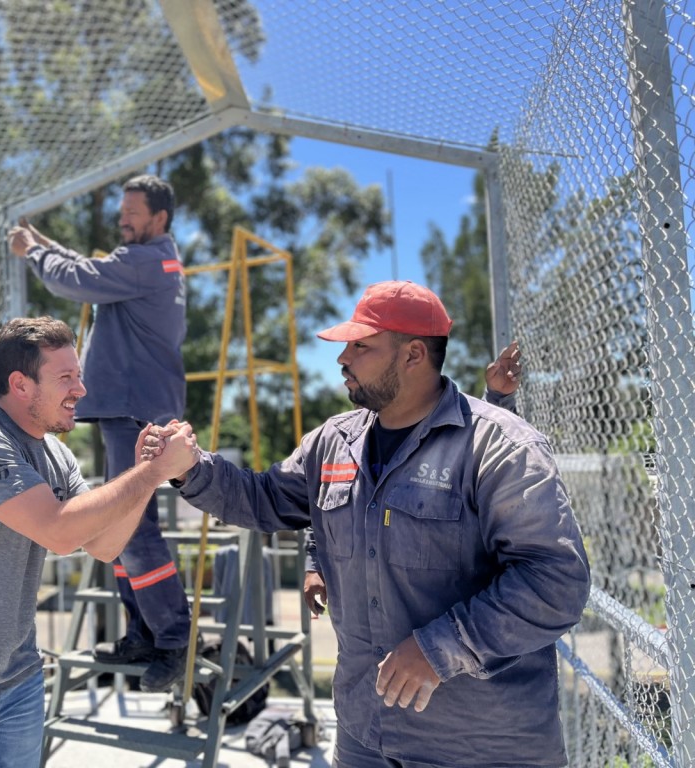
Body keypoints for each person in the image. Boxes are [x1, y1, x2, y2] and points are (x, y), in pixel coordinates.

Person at [148, 281, 591, 768]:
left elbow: (554, 581)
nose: (343, 359)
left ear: (413, 354)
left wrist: (440, 647)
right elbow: (264, 499)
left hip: (480, 745)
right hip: (366, 735)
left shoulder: (500, 447)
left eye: (361, 346)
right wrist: (190, 467)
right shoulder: (333, 442)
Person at [0, 317, 198, 768]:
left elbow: (104, 545)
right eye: (66, 377)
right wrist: (152, 472)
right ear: (20, 384)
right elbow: (60, 532)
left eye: (79, 375)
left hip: (16, 684)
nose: (81, 390)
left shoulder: (57, 453)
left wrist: (147, 473)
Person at [6, 174, 190, 692]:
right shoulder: (153, 261)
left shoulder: (147, 261)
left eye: (132, 213)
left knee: (133, 528)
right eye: (121, 212)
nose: (123, 220)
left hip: (135, 411)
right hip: (129, 409)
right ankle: (143, 632)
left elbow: (78, 280)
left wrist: (33, 255)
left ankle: (172, 636)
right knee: (121, 525)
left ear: (159, 219)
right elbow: (91, 268)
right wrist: (44, 242)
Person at [303, 339, 523, 618]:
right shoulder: (343, 442)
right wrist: (314, 565)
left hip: (438, 636)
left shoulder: (434, 433)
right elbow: (323, 508)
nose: (346, 366)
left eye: (361, 349)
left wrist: (498, 399)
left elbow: (484, 449)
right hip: (360, 637)